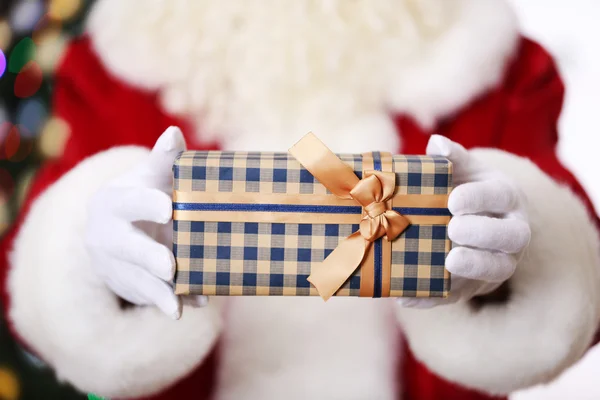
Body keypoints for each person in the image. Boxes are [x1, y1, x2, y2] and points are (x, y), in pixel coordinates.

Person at [1, 1, 599, 399]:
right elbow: (32, 269)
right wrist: (86, 249)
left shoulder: (485, 56)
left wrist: (531, 243)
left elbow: (577, 256)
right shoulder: (126, 59)